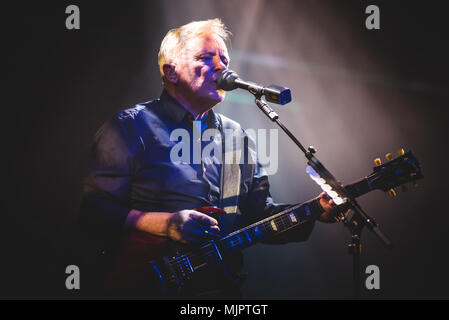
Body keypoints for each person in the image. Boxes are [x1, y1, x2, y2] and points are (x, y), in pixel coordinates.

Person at [80, 18, 344, 298]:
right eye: (205, 57)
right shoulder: (131, 127)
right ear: (171, 72)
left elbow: (257, 215)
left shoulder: (237, 137)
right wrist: (166, 224)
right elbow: (95, 212)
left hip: (221, 292)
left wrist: (317, 210)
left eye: (224, 59)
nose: (221, 66)